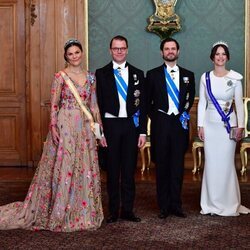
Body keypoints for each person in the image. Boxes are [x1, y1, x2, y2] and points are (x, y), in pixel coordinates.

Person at [0, 38, 104, 231]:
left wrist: (99, 129)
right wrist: (54, 127)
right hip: (66, 123)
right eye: (70, 53)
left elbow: (94, 104)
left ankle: (82, 212)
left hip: (84, 126)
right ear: (66, 56)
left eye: (77, 52)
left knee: (84, 165)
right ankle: (61, 212)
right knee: (65, 164)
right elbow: (54, 104)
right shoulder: (60, 76)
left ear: (82, 54)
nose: (74, 56)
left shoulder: (91, 77)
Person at [95, 35, 147, 223]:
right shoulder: (100, 74)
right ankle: (113, 211)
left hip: (130, 127)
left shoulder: (138, 74)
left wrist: (142, 131)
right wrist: (99, 133)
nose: (119, 51)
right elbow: (96, 106)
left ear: (127, 49)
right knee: (112, 170)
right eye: (116, 48)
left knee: (128, 170)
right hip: (110, 126)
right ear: (110, 50)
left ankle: (128, 210)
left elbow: (142, 107)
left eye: (122, 48)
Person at [198, 41, 250, 216]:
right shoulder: (205, 78)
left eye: (223, 54)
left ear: (227, 57)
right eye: (217, 54)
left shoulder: (235, 78)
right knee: (212, 164)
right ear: (213, 57)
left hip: (229, 126)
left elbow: (239, 105)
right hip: (210, 125)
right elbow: (202, 103)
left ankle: (229, 203)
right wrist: (200, 125)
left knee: (226, 164)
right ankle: (211, 203)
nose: (220, 57)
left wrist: (240, 126)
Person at [146, 37, 195, 219]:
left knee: (177, 166)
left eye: (173, 48)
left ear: (178, 51)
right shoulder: (152, 75)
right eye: (167, 49)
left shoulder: (188, 75)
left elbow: (190, 98)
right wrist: (158, 117)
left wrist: (182, 113)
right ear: (162, 53)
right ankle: (163, 206)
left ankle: (176, 204)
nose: (170, 51)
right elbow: (147, 102)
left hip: (179, 126)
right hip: (161, 124)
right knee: (162, 166)